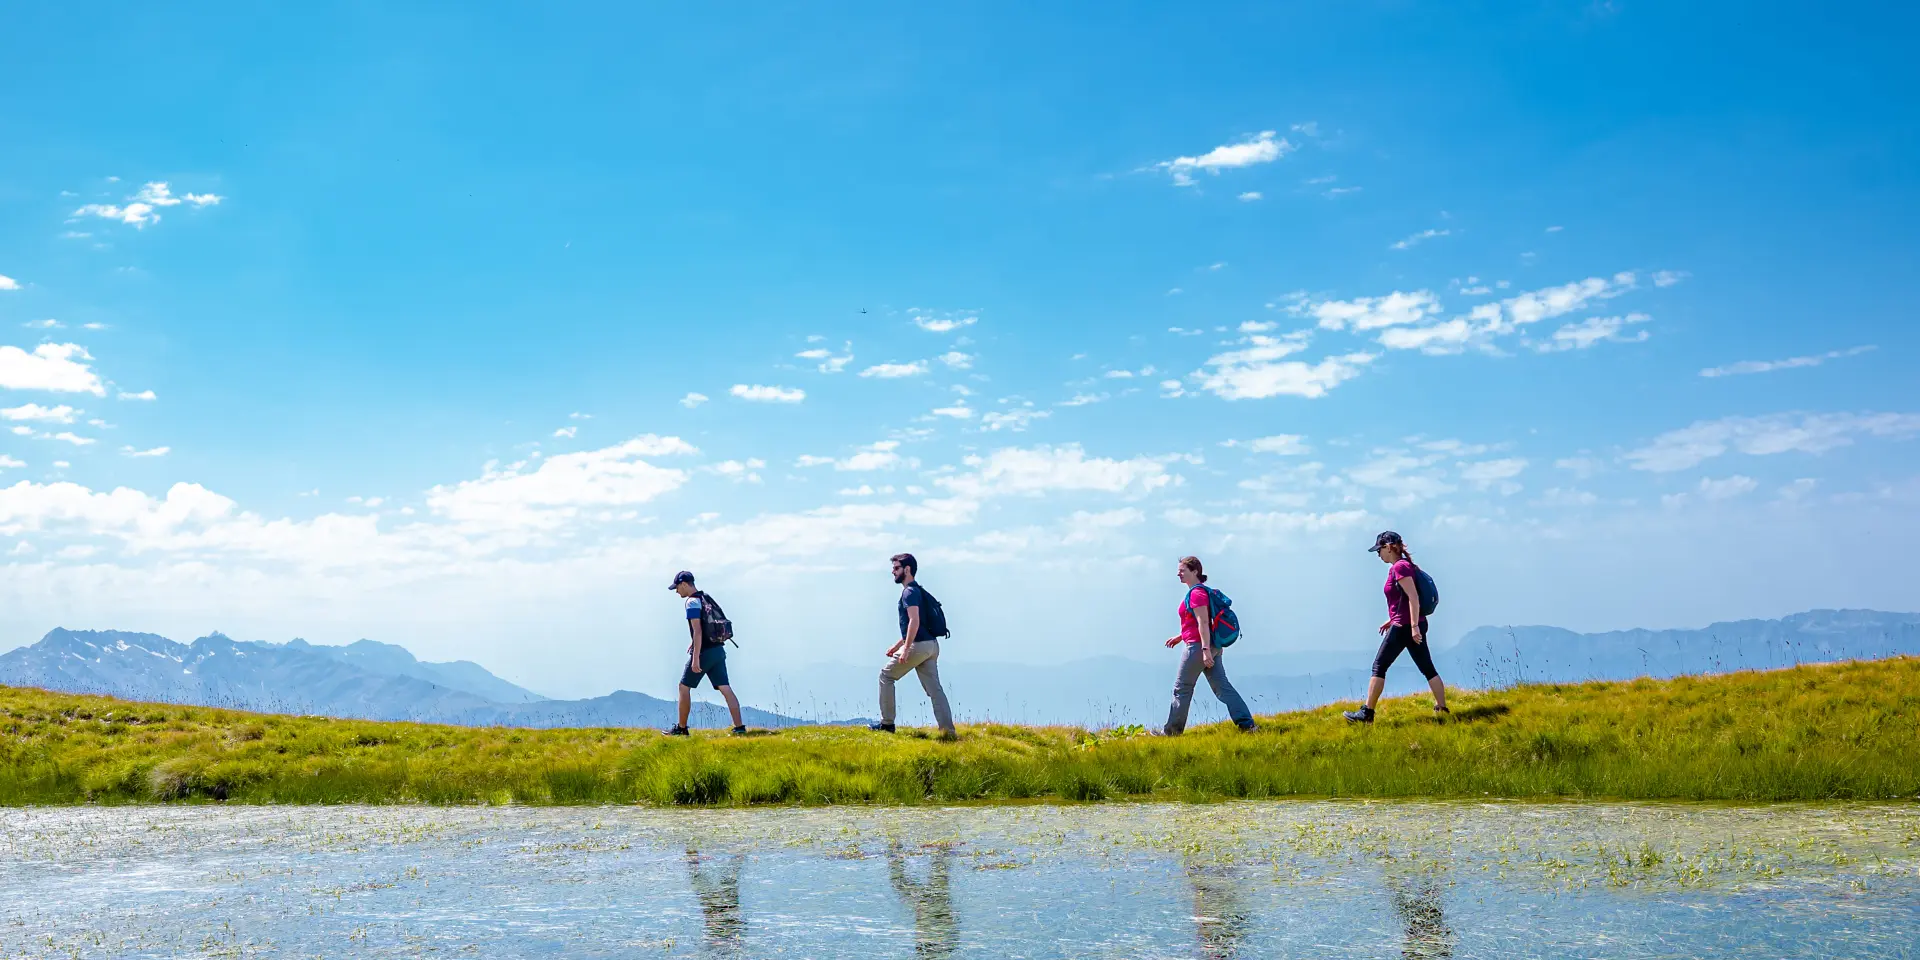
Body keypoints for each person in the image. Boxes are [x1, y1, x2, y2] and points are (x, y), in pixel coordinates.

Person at [1345, 532, 1450, 723]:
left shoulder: (1400, 567)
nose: (1378, 555)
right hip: (1407, 623)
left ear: (1389, 547)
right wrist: (1391, 619)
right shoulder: (1403, 566)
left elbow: (1413, 597)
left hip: (1405, 627)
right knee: (1427, 667)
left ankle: (1366, 713)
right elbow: (1403, 599)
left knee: (1379, 666)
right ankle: (1442, 709)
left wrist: (1413, 627)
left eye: (1379, 550)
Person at [1161, 556, 1256, 735]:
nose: (1178, 574)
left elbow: (1203, 622)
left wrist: (1204, 651)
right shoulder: (1201, 591)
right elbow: (1197, 623)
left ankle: (1172, 732)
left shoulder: (1196, 594)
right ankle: (1248, 725)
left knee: (1182, 688)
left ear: (1195, 571)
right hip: (1211, 646)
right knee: (1223, 687)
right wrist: (1180, 637)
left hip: (1198, 648)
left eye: (1182, 570)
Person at [869, 553, 957, 739]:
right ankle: (948, 732)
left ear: (907, 569)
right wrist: (897, 645)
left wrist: (907, 649)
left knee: (886, 676)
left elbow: (914, 622)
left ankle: (887, 725)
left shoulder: (908, 592)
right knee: (935, 690)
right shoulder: (917, 590)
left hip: (919, 646)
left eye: (896, 568)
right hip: (931, 646)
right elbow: (919, 625)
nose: (892, 572)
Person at [666, 570, 746, 736]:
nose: (676, 591)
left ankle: (681, 729)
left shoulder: (691, 602)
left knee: (683, 687)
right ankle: (739, 728)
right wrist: (693, 643)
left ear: (684, 584)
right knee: (725, 688)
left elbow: (698, 631)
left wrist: (695, 658)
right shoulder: (705, 598)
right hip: (718, 649)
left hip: (704, 653)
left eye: (677, 587)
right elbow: (705, 627)